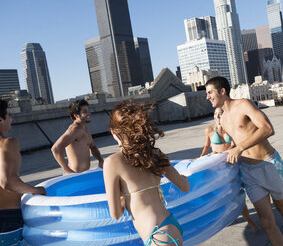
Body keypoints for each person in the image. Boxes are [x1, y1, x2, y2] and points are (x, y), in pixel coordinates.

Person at [205, 76, 283, 246]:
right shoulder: (223, 119)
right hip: (248, 172)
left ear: (222, 91)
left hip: (269, 164)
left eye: (210, 92)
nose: (207, 96)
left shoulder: (243, 104)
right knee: (267, 222)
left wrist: (239, 148)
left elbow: (268, 129)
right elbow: (231, 145)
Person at [103, 100, 190, 246]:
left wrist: (124, 198)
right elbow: (185, 187)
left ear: (113, 131)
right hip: (170, 225)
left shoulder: (112, 162)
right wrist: (184, 177)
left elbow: (116, 214)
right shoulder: (155, 154)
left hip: (156, 235)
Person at [200, 107, 259, 233]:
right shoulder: (209, 129)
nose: (218, 117)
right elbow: (206, 147)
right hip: (217, 167)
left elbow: (235, 145)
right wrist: (199, 161)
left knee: (237, 193)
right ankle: (225, 218)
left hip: (231, 164)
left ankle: (250, 220)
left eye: (220, 114)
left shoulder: (230, 128)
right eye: (216, 114)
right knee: (220, 196)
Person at [0, 100, 46, 236]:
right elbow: (7, 182)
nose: (11, 118)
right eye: (8, 115)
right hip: (7, 216)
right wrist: (35, 190)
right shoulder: (8, 143)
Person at [51, 99, 104, 174]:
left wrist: (100, 160)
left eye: (88, 111)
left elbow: (93, 147)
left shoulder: (85, 128)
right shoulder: (74, 130)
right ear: (76, 115)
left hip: (83, 174)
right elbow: (56, 149)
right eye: (85, 111)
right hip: (74, 176)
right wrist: (68, 171)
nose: (89, 113)